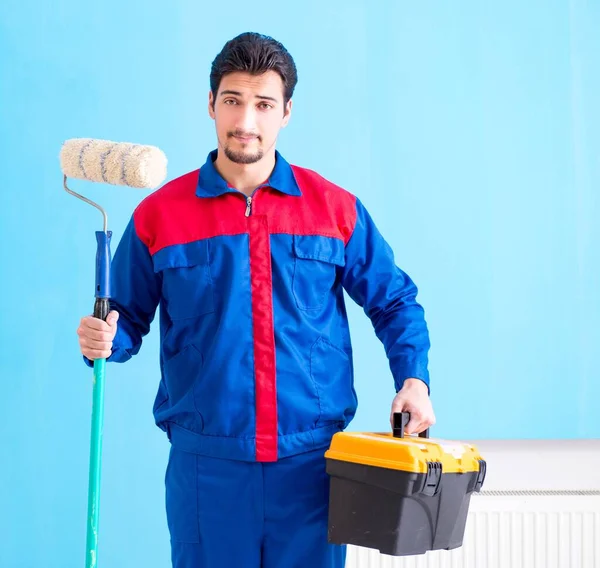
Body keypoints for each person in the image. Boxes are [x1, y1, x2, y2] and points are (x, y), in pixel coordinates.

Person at [77, 32, 435, 568]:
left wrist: (414, 379)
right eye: (233, 100)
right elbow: (123, 319)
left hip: (311, 465)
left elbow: (395, 301)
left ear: (286, 112)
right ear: (211, 105)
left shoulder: (334, 210)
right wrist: (103, 337)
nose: (246, 120)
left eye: (264, 104)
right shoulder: (160, 216)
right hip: (207, 467)